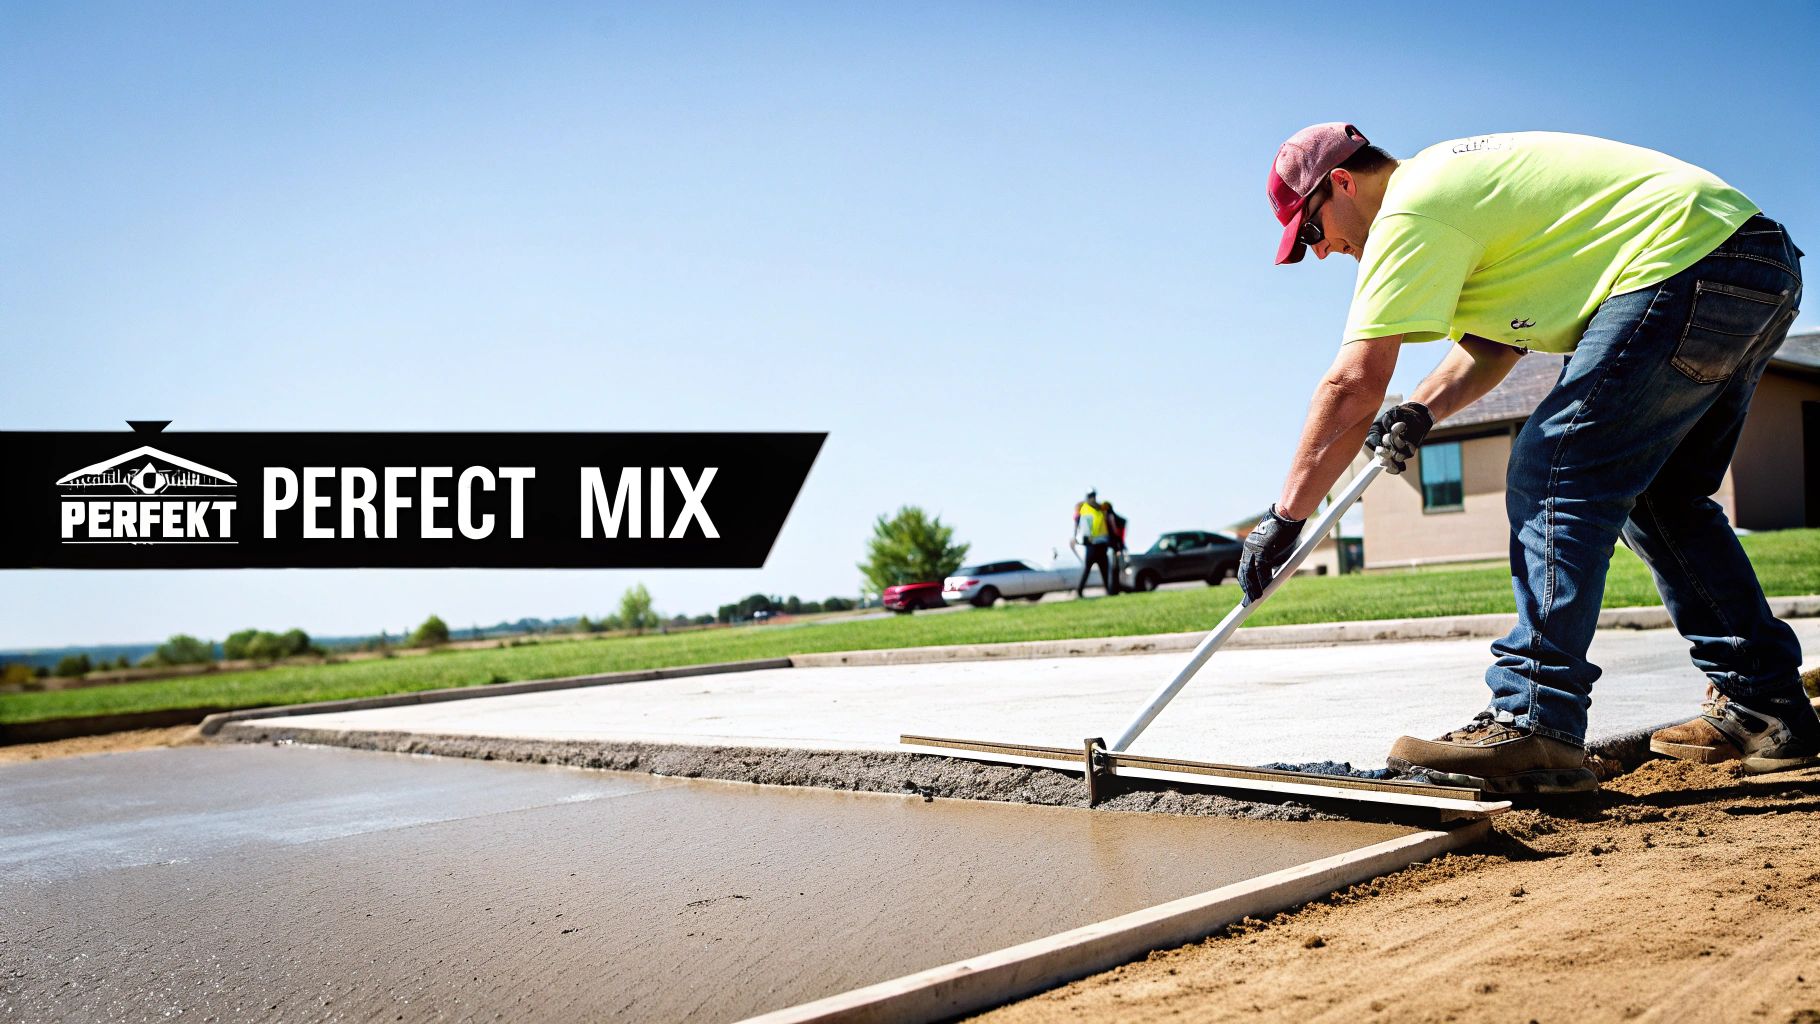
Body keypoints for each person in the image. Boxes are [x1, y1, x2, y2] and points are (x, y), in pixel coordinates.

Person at [1236, 123, 1813, 794]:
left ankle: (1534, 717)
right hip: (1753, 266)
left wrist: (1284, 517)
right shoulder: (1458, 203)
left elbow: (1352, 384)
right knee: (1663, 499)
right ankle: (1766, 706)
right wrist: (1422, 409)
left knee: (1553, 474)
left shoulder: (1408, 205)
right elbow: (1494, 345)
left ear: (1341, 182)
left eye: (1312, 232)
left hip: (1684, 265)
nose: (1326, 250)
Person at [1072, 489, 1115, 597]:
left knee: (1104, 569)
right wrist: (1075, 537)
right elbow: (1077, 523)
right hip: (1091, 544)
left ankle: (1109, 591)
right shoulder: (1083, 508)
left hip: (1102, 544)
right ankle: (1079, 591)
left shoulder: (1101, 508)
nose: (1092, 498)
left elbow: (1110, 522)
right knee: (1087, 569)